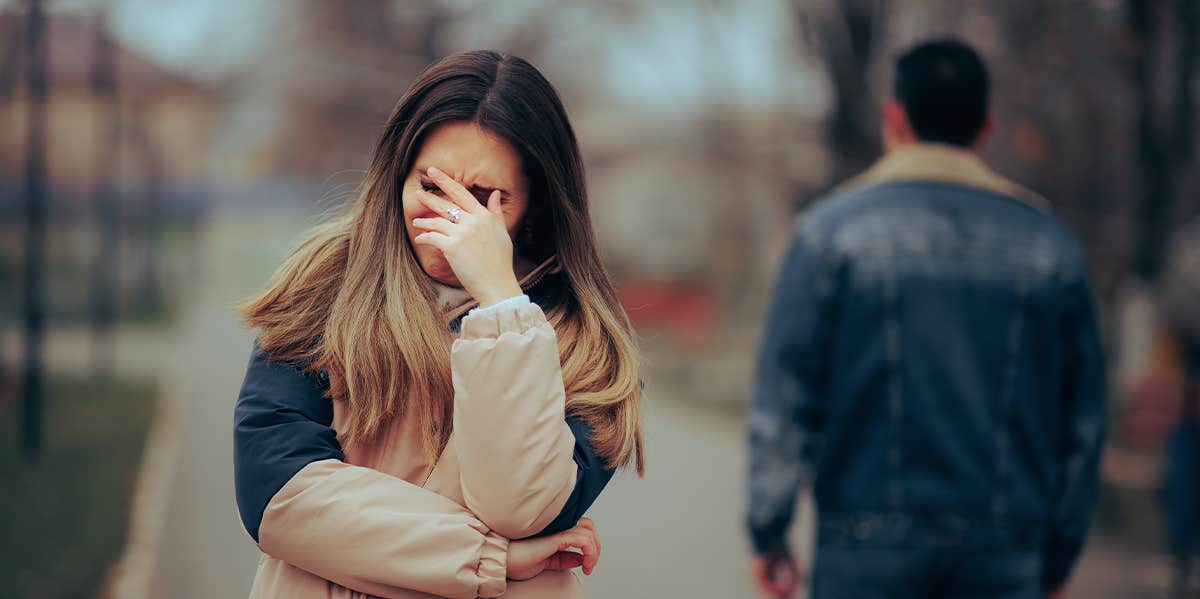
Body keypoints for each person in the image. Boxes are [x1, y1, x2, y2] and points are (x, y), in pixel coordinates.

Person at [233, 50, 644, 599]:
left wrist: (502, 307)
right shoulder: (321, 290)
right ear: (396, 177)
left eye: (480, 199)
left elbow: (520, 508)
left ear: (536, 206)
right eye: (431, 187)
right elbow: (279, 499)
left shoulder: (588, 347)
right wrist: (490, 560)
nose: (448, 220)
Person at [746, 38, 1106, 599]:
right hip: (1007, 549)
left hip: (861, 547)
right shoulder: (1050, 247)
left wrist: (769, 530)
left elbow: (783, 396)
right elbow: (1081, 421)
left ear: (895, 118)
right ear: (986, 127)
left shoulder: (828, 235)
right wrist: (1058, 551)